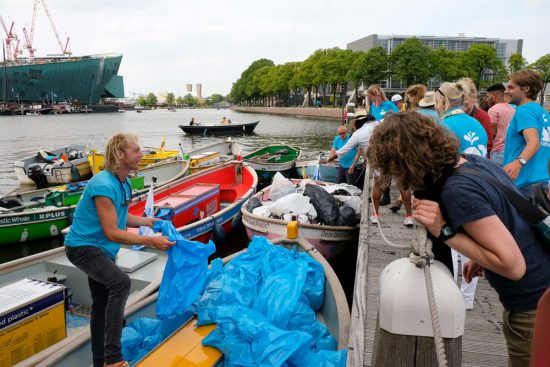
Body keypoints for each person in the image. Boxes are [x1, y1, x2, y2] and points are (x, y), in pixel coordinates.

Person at [366, 112, 550, 367]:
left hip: (533, 308)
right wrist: (482, 255)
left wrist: (443, 230)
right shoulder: (472, 162)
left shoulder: (457, 190)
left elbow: (513, 266)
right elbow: (508, 219)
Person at [64, 133, 175, 367]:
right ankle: (112, 359)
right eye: (136, 151)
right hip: (83, 247)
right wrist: (153, 242)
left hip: (102, 250)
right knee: (120, 283)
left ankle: (99, 361)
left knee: (102, 304)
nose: (141, 155)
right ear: (120, 154)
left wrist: (148, 222)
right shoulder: (103, 185)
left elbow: (121, 218)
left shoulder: (122, 183)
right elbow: (112, 232)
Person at [435, 80, 489, 309]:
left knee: (452, 242)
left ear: (444, 101)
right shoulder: (477, 124)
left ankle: (451, 296)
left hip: (455, 189)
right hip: (481, 186)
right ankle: (466, 299)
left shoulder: (444, 125)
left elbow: (438, 164)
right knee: (472, 247)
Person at [327, 111, 414, 226]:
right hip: (396, 156)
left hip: (380, 160)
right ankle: (409, 217)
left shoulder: (357, 134)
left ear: (358, 122)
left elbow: (343, 151)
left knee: (377, 186)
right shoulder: (381, 122)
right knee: (403, 186)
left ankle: (375, 215)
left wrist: (330, 158)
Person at [503, 69, 550, 201]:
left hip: (523, 184)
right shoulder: (543, 112)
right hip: (540, 183)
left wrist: (518, 163)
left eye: (511, 87)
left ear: (526, 89)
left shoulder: (524, 110)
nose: (506, 91)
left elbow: (534, 142)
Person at [366, 85, 399, 206]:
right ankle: (377, 193)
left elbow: (398, 119)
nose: (372, 100)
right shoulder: (372, 106)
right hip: (376, 139)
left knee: (387, 166)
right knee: (377, 166)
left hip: (388, 139)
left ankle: (386, 195)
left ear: (378, 95)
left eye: (373, 97)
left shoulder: (389, 105)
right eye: (370, 98)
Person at [459, 78, 493, 156]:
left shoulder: (482, 116)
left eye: (465, 98)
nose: (462, 102)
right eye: (460, 99)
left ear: (474, 97)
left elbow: (489, 144)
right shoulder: (456, 116)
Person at [486, 83, 516, 166]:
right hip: (510, 151)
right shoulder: (512, 109)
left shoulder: (493, 110)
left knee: (497, 177)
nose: (487, 99)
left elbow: (492, 134)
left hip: (497, 151)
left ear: (494, 95)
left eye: (488, 96)